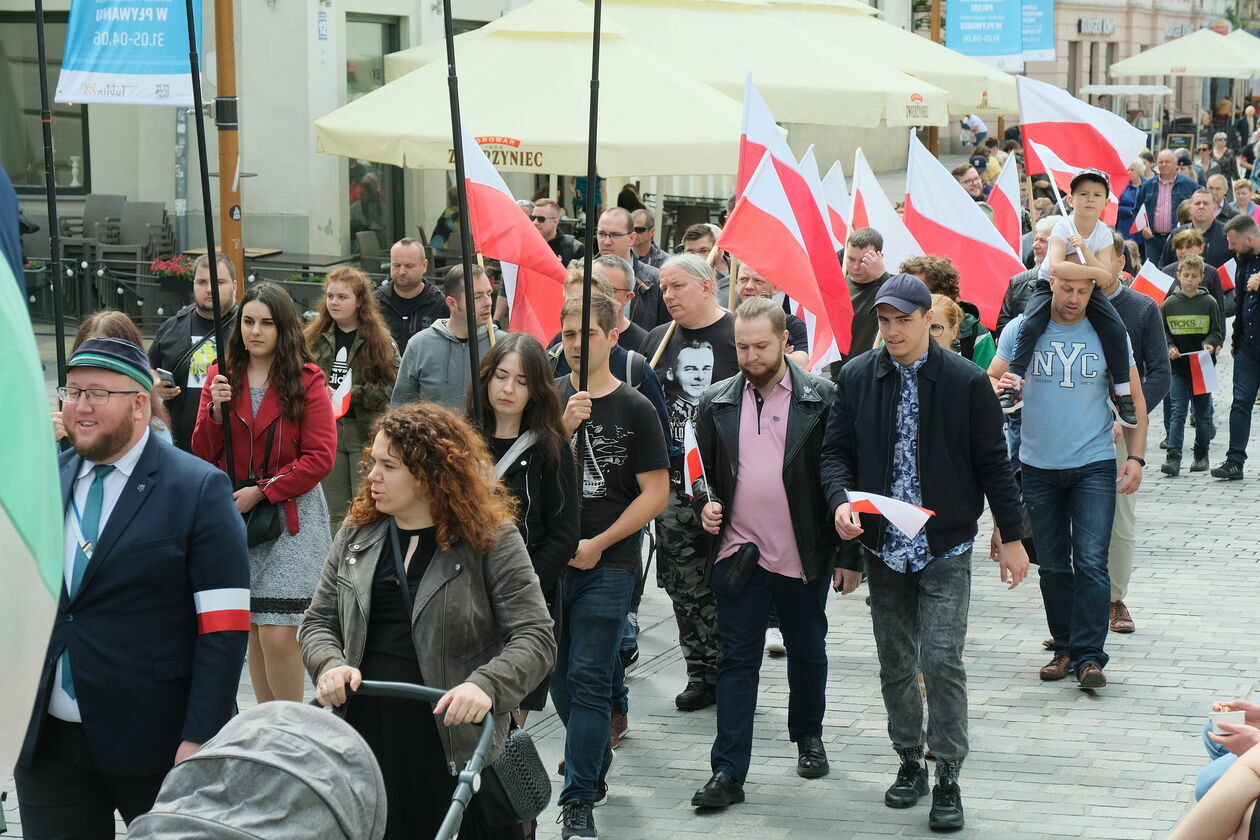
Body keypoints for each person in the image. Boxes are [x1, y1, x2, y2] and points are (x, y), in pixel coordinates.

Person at [820, 274, 1030, 833]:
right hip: (883, 546)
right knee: (895, 662)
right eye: (884, 321)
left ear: (926, 320)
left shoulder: (963, 381)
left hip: (945, 544)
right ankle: (909, 760)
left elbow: (993, 463)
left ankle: (949, 774)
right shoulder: (858, 375)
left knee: (941, 659)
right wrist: (841, 507)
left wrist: (1012, 536)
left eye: (902, 320)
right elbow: (836, 452)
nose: (891, 331)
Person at [16, 337, 250, 836]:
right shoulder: (45, 480)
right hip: (50, 748)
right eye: (72, 391)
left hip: (158, 744)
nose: (78, 406)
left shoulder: (199, 489)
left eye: (97, 393)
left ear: (140, 404)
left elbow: (224, 627)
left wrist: (200, 737)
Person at [300, 404, 556, 840]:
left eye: (389, 466)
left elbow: (536, 637)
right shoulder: (357, 532)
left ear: (428, 475)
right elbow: (318, 621)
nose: (373, 476)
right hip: (365, 737)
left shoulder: (491, 539)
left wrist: (486, 685)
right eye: (373, 462)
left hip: (453, 740)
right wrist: (328, 665)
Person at [688, 297, 838, 810]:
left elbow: (838, 475)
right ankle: (728, 771)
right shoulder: (716, 402)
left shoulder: (822, 398)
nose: (750, 356)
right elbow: (699, 476)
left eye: (760, 346)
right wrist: (704, 506)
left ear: (784, 343)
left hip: (804, 553)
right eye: (742, 347)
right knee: (737, 662)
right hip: (739, 555)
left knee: (807, 647)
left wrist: (846, 558)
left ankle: (808, 735)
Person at [991, 272, 1147, 690]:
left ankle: (1091, 657)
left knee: (1093, 561)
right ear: (1050, 285)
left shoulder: (1107, 332)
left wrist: (1135, 457)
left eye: (1083, 290)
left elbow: (1134, 395)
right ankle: (1064, 647)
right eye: (1067, 289)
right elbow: (990, 378)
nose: (1074, 298)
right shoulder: (1022, 329)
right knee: (1055, 564)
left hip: (1093, 463)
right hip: (1038, 466)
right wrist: (1000, 385)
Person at [555, 292, 670, 838]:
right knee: (555, 679)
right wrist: (560, 428)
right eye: (569, 335)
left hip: (611, 560)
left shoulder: (635, 407)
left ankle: (577, 800)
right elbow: (522, 476)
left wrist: (600, 542)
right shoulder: (549, 400)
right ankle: (591, 752)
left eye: (588, 334)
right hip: (549, 563)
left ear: (611, 337)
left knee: (590, 678)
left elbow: (655, 495)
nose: (577, 345)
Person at [193, 282, 337, 703]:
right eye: (248, 321)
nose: (255, 331)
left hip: (292, 514)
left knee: (277, 633)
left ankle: (292, 727)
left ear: (283, 328)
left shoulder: (307, 380)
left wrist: (262, 491)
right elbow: (201, 453)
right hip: (237, 518)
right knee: (254, 631)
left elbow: (320, 457)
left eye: (267, 323)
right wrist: (215, 413)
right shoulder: (221, 377)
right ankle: (267, 725)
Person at [641, 254, 741, 711]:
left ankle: (733, 671)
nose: (669, 296)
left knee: (728, 583)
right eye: (663, 288)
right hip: (674, 485)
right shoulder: (659, 341)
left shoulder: (738, 335)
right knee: (682, 585)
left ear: (707, 286)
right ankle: (699, 670)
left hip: (728, 484)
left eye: (677, 286)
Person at [472, 333, 578, 722]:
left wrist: (521, 582)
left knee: (505, 723)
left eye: (521, 381)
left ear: (536, 390)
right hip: (462, 597)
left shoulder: (551, 447)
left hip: (523, 604)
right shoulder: (458, 441)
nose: (508, 388)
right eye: (501, 376)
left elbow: (564, 533)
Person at [1000, 169, 1137, 426]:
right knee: (1030, 324)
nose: (1090, 199)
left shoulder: (1103, 233)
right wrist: (1095, 271)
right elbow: (1056, 268)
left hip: (1088, 290)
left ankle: (1121, 391)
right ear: (1071, 199)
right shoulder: (1063, 224)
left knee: (1116, 328)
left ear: (1106, 203)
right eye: (1083, 193)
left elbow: (1107, 278)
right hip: (1048, 286)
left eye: (1097, 195)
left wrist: (1085, 249)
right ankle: (1015, 383)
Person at [1092, 230, 1170, 636]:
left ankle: (1114, 598)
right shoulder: (1071, 307)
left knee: (1120, 520)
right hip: (1077, 431)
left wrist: (1127, 419)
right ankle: (1079, 605)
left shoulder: (1142, 308)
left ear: (1121, 262)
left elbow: (1160, 373)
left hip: (1123, 431)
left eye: (1103, 255)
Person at [305, 266, 401, 530]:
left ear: (359, 302)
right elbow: (296, 375)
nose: (334, 302)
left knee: (365, 507)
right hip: (327, 431)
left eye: (342, 297)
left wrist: (351, 394)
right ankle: (336, 567)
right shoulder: (314, 336)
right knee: (334, 512)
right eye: (330, 296)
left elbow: (393, 387)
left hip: (363, 432)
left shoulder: (379, 339)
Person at [147, 252, 238, 451]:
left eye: (219, 282)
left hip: (232, 449)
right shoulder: (172, 327)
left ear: (234, 286)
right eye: (202, 282)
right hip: (178, 448)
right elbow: (147, 365)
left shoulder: (247, 329)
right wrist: (154, 383)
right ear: (194, 285)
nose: (209, 289)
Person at [55, 310, 174, 444]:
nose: (83, 407)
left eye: (111, 357)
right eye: (74, 391)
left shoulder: (154, 435)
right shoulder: (60, 428)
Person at [391, 263, 497, 411]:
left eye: (489, 293)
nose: (488, 302)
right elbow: (400, 408)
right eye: (477, 297)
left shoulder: (500, 345)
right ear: (452, 303)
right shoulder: (420, 345)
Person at [1160, 254, 1222, 477]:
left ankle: (1201, 455)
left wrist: (1210, 343)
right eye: (1185, 275)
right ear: (1178, 276)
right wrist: (1169, 346)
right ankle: (1173, 456)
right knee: (1177, 411)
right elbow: (1163, 332)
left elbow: (1217, 330)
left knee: (1203, 413)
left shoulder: (1209, 303)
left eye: (1194, 276)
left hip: (1202, 366)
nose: (1189, 279)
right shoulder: (1169, 304)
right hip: (1178, 367)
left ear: (1201, 278)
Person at [1212, 214, 1260, 479]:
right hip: (1247, 348)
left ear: (1249, 238)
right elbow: (1241, 304)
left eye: (1233, 243)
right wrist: (1236, 339)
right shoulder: (1242, 262)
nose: (1230, 248)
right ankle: (1234, 462)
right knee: (1240, 403)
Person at [899, 255, 996, 369]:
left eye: (917, 290)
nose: (907, 297)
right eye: (905, 290)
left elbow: (987, 381)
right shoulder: (895, 328)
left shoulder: (976, 334)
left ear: (941, 294)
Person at [597, 207, 668, 331]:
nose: (607, 241)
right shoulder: (581, 274)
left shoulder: (655, 280)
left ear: (632, 238)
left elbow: (665, 333)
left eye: (615, 235)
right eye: (602, 234)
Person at [374, 238, 449, 354]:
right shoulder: (374, 303)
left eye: (409, 266)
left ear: (424, 266)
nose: (401, 271)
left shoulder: (440, 305)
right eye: (396, 265)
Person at [997, 216, 1060, 337]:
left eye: (1042, 241)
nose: (1034, 245)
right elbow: (1003, 330)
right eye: (1036, 239)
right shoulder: (1017, 284)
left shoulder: (1079, 283)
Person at [735, 263, 809, 368]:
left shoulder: (791, 324)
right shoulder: (726, 323)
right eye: (743, 279)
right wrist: (779, 355)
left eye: (758, 281)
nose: (749, 286)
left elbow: (801, 363)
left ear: (775, 288)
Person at [1135, 149, 1201, 262]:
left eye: (1167, 161)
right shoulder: (1147, 186)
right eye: (1161, 162)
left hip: (1180, 239)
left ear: (1175, 164)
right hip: (1153, 240)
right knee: (1153, 274)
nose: (1163, 164)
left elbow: (1199, 206)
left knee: (1177, 272)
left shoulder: (1190, 185)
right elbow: (1137, 210)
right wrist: (1143, 228)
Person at [842, 227, 891, 363]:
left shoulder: (888, 286)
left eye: (863, 260)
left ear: (879, 257)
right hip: (835, 373)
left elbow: (905, 301)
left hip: (872, 370)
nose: (856, 267)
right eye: (851, 259)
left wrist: (882, 276)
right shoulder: (838, 285)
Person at [1160, 188, 1234, 270]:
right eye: (1197, 203)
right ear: (1190, 208)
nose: (1201, 207)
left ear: (1215, 208)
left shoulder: (1227, 234)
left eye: (1206, 203)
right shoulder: (1177, 234)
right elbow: (1163, 265)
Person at [681, 223, 731, 301]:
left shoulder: (735, 277)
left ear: (716, 251)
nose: (697, 257)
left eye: (703, 251)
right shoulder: (676, 280)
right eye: (691, 252)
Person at [533, 198, 584, 265]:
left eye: (541, 219)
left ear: (555, 222)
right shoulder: (526, 245)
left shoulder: (574, 247)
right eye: (533, 218)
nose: (535, 222)